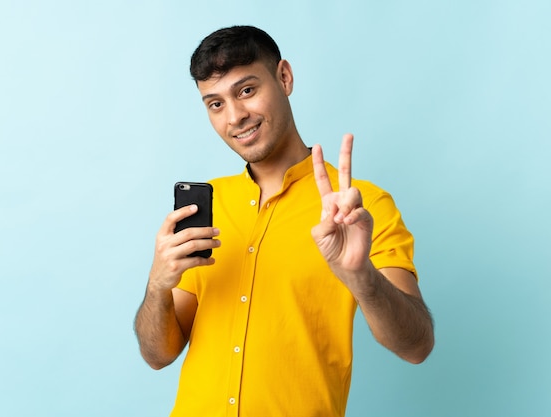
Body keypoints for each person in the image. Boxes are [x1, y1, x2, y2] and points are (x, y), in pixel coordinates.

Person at [135, 25, 434, 416]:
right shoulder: (207, 207)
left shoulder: (361, 207)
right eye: (215, 104)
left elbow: (417, 346)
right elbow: (158, 355)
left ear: (284, 77)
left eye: (246, 90)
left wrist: (361, 275)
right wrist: (158, 284)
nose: (236, 117)